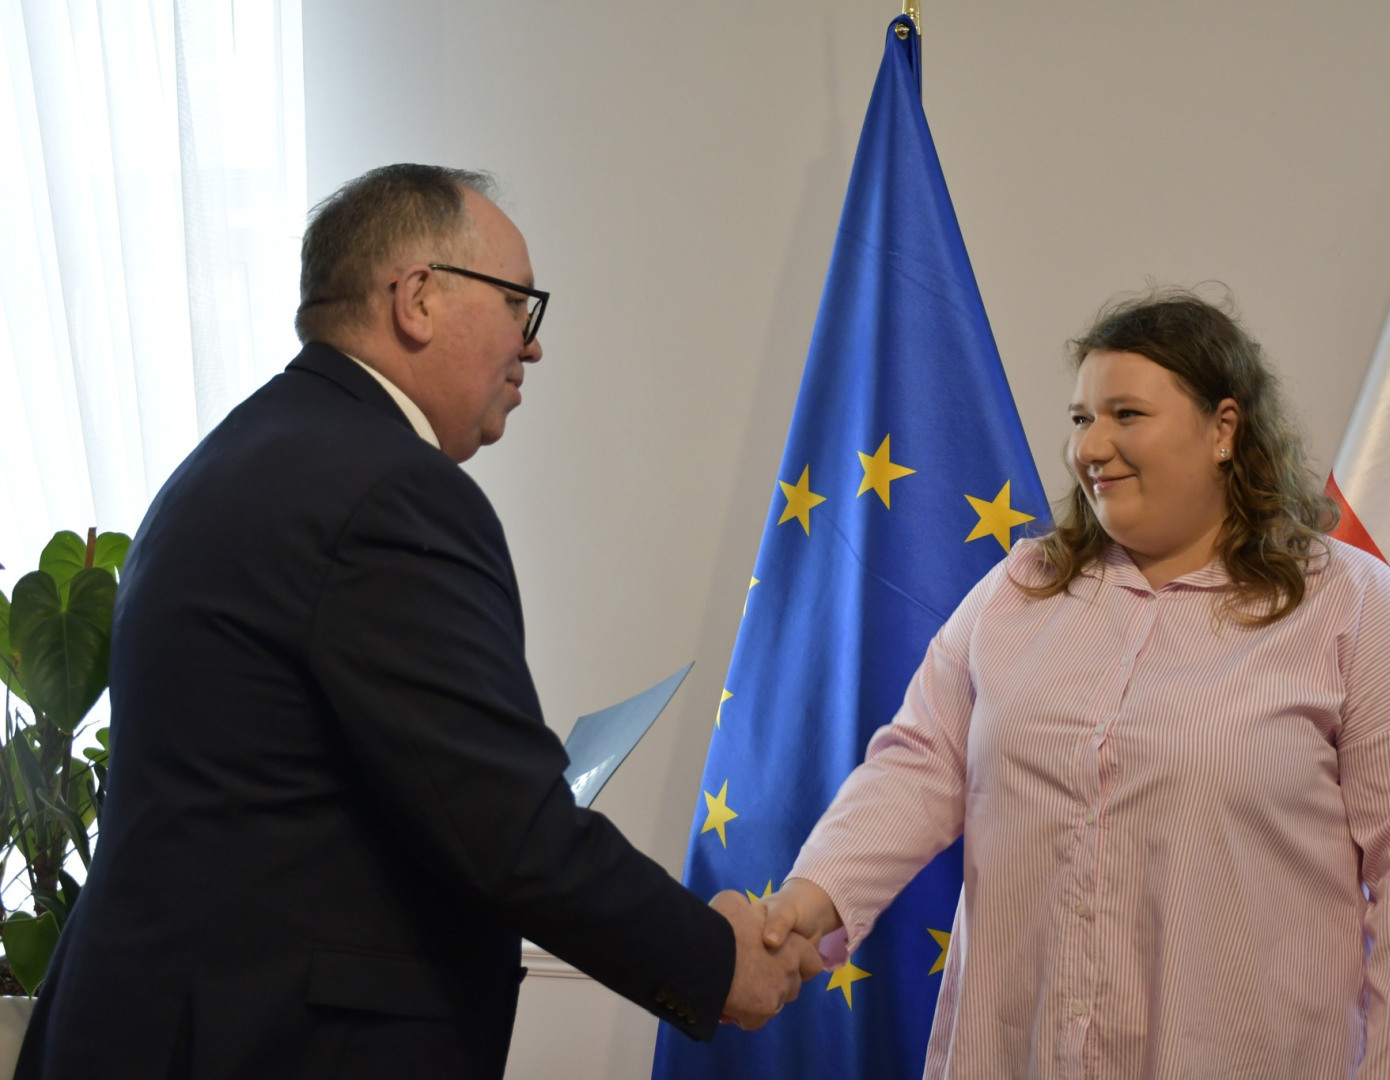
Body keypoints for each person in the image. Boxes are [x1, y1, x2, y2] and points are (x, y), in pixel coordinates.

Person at [17, 164, 820, 1079]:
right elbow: (506, 829)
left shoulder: (244, 455)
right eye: (519, 302)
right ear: (419, 299)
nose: (532, 345)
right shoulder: (389, 490)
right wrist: (717, 962)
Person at [758, 291, 1390, 1078]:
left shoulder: (1352, 606)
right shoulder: (1019, 588)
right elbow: (918, 766)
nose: (1091, 446)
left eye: (1126, 414)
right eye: (1081, 418)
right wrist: (812, 899)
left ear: (1223, 428)